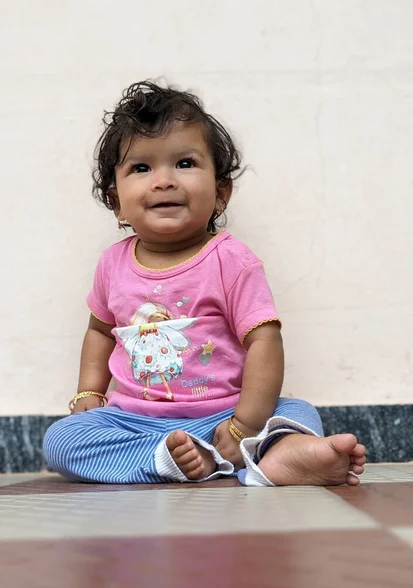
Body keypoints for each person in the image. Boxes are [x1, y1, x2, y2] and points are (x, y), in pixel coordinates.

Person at [43, 80, 366, 486]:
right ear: (116, 202)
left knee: (297, 411)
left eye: (184, 163)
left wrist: (243, 425)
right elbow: (99, 330)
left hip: (223, 417)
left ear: (220, 192)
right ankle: (167, 458)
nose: (164, 180)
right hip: (134, 422)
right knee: (62, 440)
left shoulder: (231, 260)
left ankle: (274, 454)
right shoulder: (113, 263)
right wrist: (88, 394)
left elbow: (265, 341)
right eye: (141, 168)